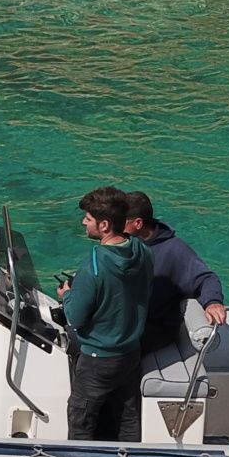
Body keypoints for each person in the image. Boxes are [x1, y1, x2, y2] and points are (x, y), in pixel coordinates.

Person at [57, 186, 153, 442]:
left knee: (81, 418)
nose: (83, 222)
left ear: (104, 225)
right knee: (127, 416)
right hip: (130, 353)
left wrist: (67, 295)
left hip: (98, 358)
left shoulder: (94, 266)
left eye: (88, 219)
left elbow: (75, 318)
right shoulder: (143, 251)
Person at [121, 191, 227, 354]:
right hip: (126, 318)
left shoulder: (175, 250)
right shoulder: (125, 243)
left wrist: (213, 302)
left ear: (138, 223)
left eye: (120, 221)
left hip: (154, 326)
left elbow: (207, 278)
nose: (115, 225)